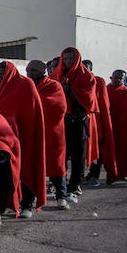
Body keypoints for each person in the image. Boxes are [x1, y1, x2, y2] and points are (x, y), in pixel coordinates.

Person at [0, 61, 45, 218]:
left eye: (3, 74)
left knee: (26, 169)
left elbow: (33, 111)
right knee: (6, 173)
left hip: (25, 135)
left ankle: (27, 204)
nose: (1, 77)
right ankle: (8, 203)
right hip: (3, 139)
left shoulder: (26, 85)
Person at [51, 47, 96, 200]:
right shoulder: (57, 75)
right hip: (62, 120)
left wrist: (71, 88)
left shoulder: (86, 77)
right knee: (61, 154)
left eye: (71, 58)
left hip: (78, 119)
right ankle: (60, 183)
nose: (68, 62)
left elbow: (89, 99)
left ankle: (75, 183)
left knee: (78, 154)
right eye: (66, 59)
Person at [26, 60, 70, 210]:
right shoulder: (26, 86)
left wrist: (35, 105)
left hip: (52, 132)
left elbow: (58, 106)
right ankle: (28, 201)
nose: (30, 73)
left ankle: (61, 196)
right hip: (32, 133)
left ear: (42, 71)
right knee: (31, 168)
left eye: (33, 70)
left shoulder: (53, 86)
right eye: (28, 70)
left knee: (56, 165)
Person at [82, 60, 116, 186]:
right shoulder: (75, 81)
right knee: (80, 150)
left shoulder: (98, 81)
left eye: (86, 68)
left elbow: (103, 103)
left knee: (96, 148)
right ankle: (81, 175)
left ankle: (94, 174)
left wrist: (102, 120)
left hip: (94, 119)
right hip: (79, 119)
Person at [106, 70, 127, 182]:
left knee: (124, 149)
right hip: (109, 123)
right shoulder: (106, 90)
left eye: (121, 78)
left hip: (123, 126)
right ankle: (111, 173)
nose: (118, 79)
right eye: (116, 77)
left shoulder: (126, 92)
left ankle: (124, 172)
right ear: (111, 78)